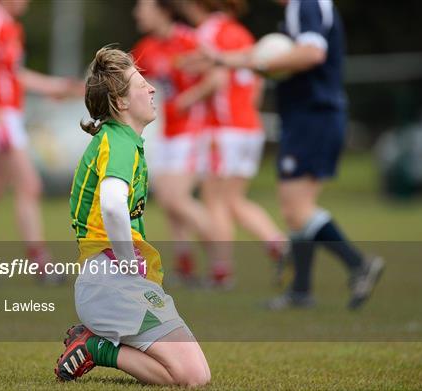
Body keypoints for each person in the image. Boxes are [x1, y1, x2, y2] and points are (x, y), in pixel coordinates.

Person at [207, 0, 384, 309]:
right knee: (298, 209)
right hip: (312, 116)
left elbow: (312, 53)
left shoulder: (307, 4)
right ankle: (301, 291)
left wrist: (264, 65)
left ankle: (358, 264)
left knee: (296, 209)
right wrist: (222, 59)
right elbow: (266, 56)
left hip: (313, 116)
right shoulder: (299, 8)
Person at [54, 47, 210, 387]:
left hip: (105, 283)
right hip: (112, 284)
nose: (152, 88)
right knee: (193, 377)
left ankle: (98, 343)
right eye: (141, 83)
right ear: (120, 102)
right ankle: (96, 348)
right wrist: (128, 262)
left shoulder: (119, 140)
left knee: (192, 372)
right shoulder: (120, 142)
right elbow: (112, 205)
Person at [0, 0, 82, 282]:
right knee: (29, 185)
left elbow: (13, 75)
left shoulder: (8, 25)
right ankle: (41, 265)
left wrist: (57, 87)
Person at [176, 0, 288, 287]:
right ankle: (279, 245)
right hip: (249, 126)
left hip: (223, 129)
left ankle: (221, 271)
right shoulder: (241, 33)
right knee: (234, 199)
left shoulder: (208, 31)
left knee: (215, 201)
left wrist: (189, 98)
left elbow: (217, 77)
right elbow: (260, 75)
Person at [131, 0, 216, 282]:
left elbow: (218, 75)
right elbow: (125, 79)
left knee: (176, 199)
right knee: (168, 202)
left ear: (163, 10)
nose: (137, 13)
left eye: (143, 8)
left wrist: (188, 99)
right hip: (167, 133)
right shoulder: (147, 46)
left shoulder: (189, 40)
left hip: (191, 130)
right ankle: (186, 265)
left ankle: (221, 264)